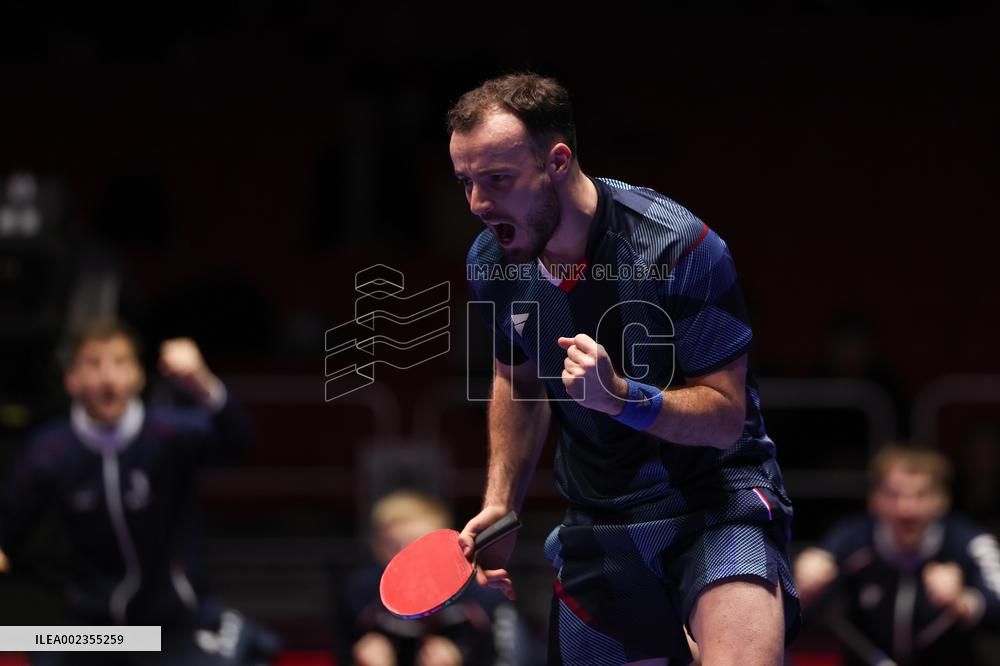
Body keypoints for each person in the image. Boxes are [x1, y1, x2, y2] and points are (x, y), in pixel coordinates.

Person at [450, 73, 798, 665]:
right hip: (601, 518)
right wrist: (501, 501)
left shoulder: (678, 247)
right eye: (466, 183)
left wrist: (620, 397)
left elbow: (725, 419)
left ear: (557, 161)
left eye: (498, 181)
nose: (480, 204)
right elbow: (518, 379)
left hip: (715, 502)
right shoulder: (495, 261)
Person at [0, 318, 275, 665]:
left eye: (119, 362)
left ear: (138, 376)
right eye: (94, 363)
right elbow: (7, 535)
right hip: (93, 629)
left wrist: (202, 381)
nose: (107, 377)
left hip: (174, 625)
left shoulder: (170, 434)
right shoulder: (49, 451)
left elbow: (239, 441)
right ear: (72, 379)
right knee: (26, 643)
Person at [794, 444, 1000, 666]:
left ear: (943, 500)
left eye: (921, 495)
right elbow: (802, 621)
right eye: (893, 495)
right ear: (874, 499)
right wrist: (803, 592)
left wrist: (963, 602)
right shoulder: (850, 540)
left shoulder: (970, 543)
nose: (906, 509)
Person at [336, 490, 524, 666]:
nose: (404, 557)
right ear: (376, 546)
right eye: (392, 546)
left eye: (416, 546)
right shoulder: (359, 593)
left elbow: (514, 658)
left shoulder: (485, 594)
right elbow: (339, 652)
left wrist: (464, 657)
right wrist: (358, 657)